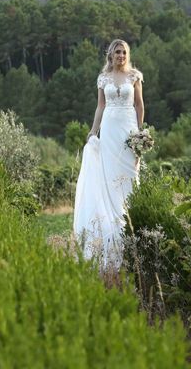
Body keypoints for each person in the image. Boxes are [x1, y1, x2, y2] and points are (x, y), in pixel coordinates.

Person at [73, 39, 144, 269]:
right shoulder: (103, 79)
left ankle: (131, 228)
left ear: (127, 54)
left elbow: (140, 106)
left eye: (124, 52)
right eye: (117, 52)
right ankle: (110, 232)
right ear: (110, 55)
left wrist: (140, 136)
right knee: (109, 180)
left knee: (129, 178)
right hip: (110, 130)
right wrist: (94, 131)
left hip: (128, 130)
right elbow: (100, 106)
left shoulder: (135, 76)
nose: (121, 55)